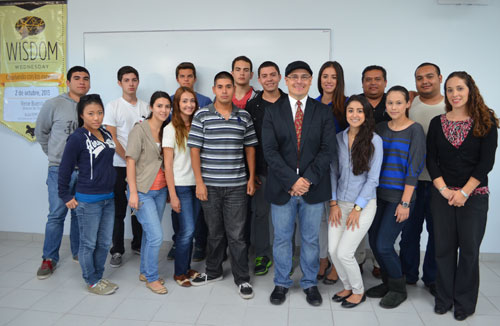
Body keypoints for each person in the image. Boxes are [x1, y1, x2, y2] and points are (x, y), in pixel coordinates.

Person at [263, 61, 336, 306]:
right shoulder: (273, 111)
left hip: (312, 188)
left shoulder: (323, 111)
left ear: (310, 79)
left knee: (311, 239)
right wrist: (292, 180)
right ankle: (282, 282)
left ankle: (309, 284)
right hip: (282, 187)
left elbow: (327, 150)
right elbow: (270, 151)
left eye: (304, 77)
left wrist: (306, 180)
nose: (299, 81)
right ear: (286, 80)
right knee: (282, 238)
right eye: (294, 77)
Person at [427, 71, 498, 321]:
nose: (454, 94)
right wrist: (445, 191)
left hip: (474, 197)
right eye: (449, 90)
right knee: (443, 250)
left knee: (469, 251)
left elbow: (485, 163)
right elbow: (431, 161)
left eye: (459, 88)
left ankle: (464, 303)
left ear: (470, 90)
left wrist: (464, 192)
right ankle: (444, 299)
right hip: (443, 196)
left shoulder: (486, 122)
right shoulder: (437, 123)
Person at [188, 71, 258, 300]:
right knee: (215, 233)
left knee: (237, 235)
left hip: (237, 185)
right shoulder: (202, 115)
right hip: (209, 186)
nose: (225, 90)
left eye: (229, 86)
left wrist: (250, 177)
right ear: (214, 90)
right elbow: (195, 150)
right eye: (220, 86)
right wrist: (199, 182)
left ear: (232, 89)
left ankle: (242, 279)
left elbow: (250, 148)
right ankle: (214, 271)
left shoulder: (244, 116)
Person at [366, 86, 426, 309]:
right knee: (373, 241)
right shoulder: (380, 128)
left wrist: (405, 202)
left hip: (399, 197)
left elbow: (414, 169)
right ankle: (388, 283)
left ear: (408, 104)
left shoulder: (415, 130)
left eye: (398, 103)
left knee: (383, 244)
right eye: (390, 103)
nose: (393, 107)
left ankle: (399, 289)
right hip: (377, 196)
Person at [58, 94, 118, 294]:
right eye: (91, 113)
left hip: (108, 198)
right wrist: (65, 195)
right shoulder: (77, 137)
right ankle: (91, 280)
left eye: (99, 112)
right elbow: (65, 169)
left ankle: (98, 277)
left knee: (103, 243)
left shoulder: (106, 134)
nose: (96, 117)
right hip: (88, 200)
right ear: (82, 115)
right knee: (88, 243)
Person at [35, 66, 90, 279]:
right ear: (68, 82)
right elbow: (41, 132)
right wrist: (56, 157)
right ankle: (49, 258)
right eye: (76, 78)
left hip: (85, 171)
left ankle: (78, 252)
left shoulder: (90, 105)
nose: (81, 82)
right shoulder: (54, 104)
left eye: (85, 78)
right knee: (57, 214)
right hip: (59, 170)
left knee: (79, 214)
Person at [328, 95, 383, 308]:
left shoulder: (374, 140)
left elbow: (373, 179)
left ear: (366, 114)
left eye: (359, 110)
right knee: (333, 251)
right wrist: (333, 203)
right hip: (339, 205)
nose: (355, 114)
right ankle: (347, 286)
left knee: (345, 252)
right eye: (351, 110)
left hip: (364, 205)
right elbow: (333, 172)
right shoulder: (338, 138)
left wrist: (358, 208)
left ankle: (359, 291)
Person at [399, 63, 445, 296]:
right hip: (412, 181)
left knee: (437, 232)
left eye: (429, 77)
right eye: (419, 78)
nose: (424, 81)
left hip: (441, 183)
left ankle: (432, 278)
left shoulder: (452, 104)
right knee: (409, 231)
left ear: (440, 77)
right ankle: (408, 274)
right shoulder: (410, 102)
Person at [104, 66, 150, 268]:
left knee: (138, 206)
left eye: (134, 79)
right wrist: (129, 158)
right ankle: (117, 250)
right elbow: (111, 137)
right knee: (119, 210)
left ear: (138, 82)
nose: (130, 83)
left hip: (141, 167)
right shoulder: (113, 106)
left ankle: (138, 244)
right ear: (119, 83)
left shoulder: (146, 107)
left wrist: (138, 161)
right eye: (126, 80)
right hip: (118, 165)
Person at [126, 91, 171, 294]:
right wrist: (133, 193)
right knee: (156, 236)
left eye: (167, 106)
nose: (163, 110)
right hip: (142, 191)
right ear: (151, 107)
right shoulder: (140, 130)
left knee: (149, 234)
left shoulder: (166, 130)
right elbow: (130, 161)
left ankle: (145, 270)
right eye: (159, 106)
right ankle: (152, 278)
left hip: (160, 191)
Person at [246, 61, 287, 276]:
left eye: (273, 74)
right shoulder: (253, 106)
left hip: (287, 172)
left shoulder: (291, 102)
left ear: (280, 77)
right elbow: (248, 143)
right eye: (264, 75)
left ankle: (285, 257)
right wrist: (251, 174)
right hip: (261, 171)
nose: (269, 79)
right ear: (259, 80)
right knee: (260, 214)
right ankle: (262, 254)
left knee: (286, 217)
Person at [168, 62, 211, 262]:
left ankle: (199, 245)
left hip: (200, 176)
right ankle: (179, 250)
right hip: (180, 178)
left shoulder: (204, 104)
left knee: (198, 217)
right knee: (181, 219)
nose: (186, 79)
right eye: (182, 76)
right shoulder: (170, 114)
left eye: (190, 76)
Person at [163, 87, 201, 287]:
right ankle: (179, 273)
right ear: (177, 104)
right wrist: (173, 194)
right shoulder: (170, 129)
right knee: (186, 231)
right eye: (184, 101)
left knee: (190, 231)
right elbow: (167, 164)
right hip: (181, 186)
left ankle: (186, 268)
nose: (189, 105)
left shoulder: (197, 125)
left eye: (192, 101)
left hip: (197, 186)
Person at [315, 60, 348, 284]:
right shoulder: (312, 104)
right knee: (320, 219)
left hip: (342, 169)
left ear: (340, 80)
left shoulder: (347, 105)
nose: (328, 81)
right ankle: (322, 259)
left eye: (333, 77)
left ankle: (337, 263)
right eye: (325, 76)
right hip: (317, 169)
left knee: (338, 217)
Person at [357, 64, 390, 278]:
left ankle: (380, 262)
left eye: (377, 79)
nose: (373, 83)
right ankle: (358, 260)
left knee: (381, 222)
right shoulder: (356, 103)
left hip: (388, 171)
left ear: (385, 82)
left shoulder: (393, 102)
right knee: (357, 219)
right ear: (362, 83)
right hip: (359, 172)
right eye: (368, 79)